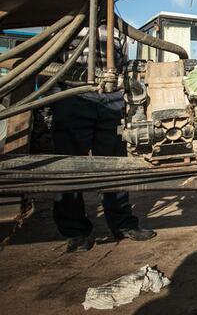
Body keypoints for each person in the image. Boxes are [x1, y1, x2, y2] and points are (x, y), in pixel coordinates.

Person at [51, 25, 156, 252]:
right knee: (69, 167)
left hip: (110, 99)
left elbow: (121, 62)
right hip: (72, 95)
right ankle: (76, 232)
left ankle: (122, 223)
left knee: (115, 165)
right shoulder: (66, 22)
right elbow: (50, 61)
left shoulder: (115, 28)